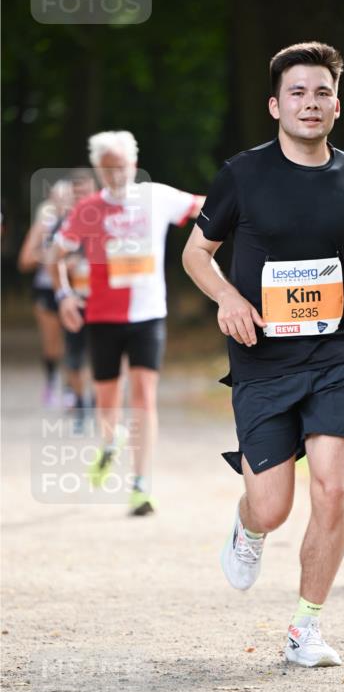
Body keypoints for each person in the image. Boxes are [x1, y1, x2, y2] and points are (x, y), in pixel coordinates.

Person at [182, 41, 344, 668]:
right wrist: (226, 298)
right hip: (262, 358)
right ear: (276, 105)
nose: (310, 102)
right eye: (297, 92)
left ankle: (306, 629)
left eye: (322, 92)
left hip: (337, 352)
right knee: (273, 505)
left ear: (337, 104)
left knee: (333, 490)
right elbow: (197, 253)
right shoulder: (242, 175)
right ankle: (248, 526)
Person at [51, 130, 204, 515]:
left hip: (148, 315)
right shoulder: (88, 209)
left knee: (144, 396)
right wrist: (64, 295)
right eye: (107, 168)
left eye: (120, 166)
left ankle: (140, 484)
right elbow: (55, 255)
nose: (115, 174)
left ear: (134, 164)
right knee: (107, 401)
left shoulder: (157, 197)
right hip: (102, 316)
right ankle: (110, 440)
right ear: (99, 170)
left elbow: (208, 207)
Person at [17, 180, 73, 407]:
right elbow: (24, 260)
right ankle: (51, 383)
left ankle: (72, 390)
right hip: (46, 289)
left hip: (72, 288)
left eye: (67, 197)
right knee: (52, 343)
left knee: (73, 340)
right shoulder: (44, 225)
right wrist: (48, 257)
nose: (63, 202)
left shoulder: (79, 223)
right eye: (58, 198)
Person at [58, 168, 98, 430]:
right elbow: (53, 257)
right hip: (75, 299)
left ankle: (96, 403)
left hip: (102, 299)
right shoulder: (65, 222)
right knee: (74, 356)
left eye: (84, 191)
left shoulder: (106, 219)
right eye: (76, 192)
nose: (80, 196)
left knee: (101, 356)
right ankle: (82, 404)